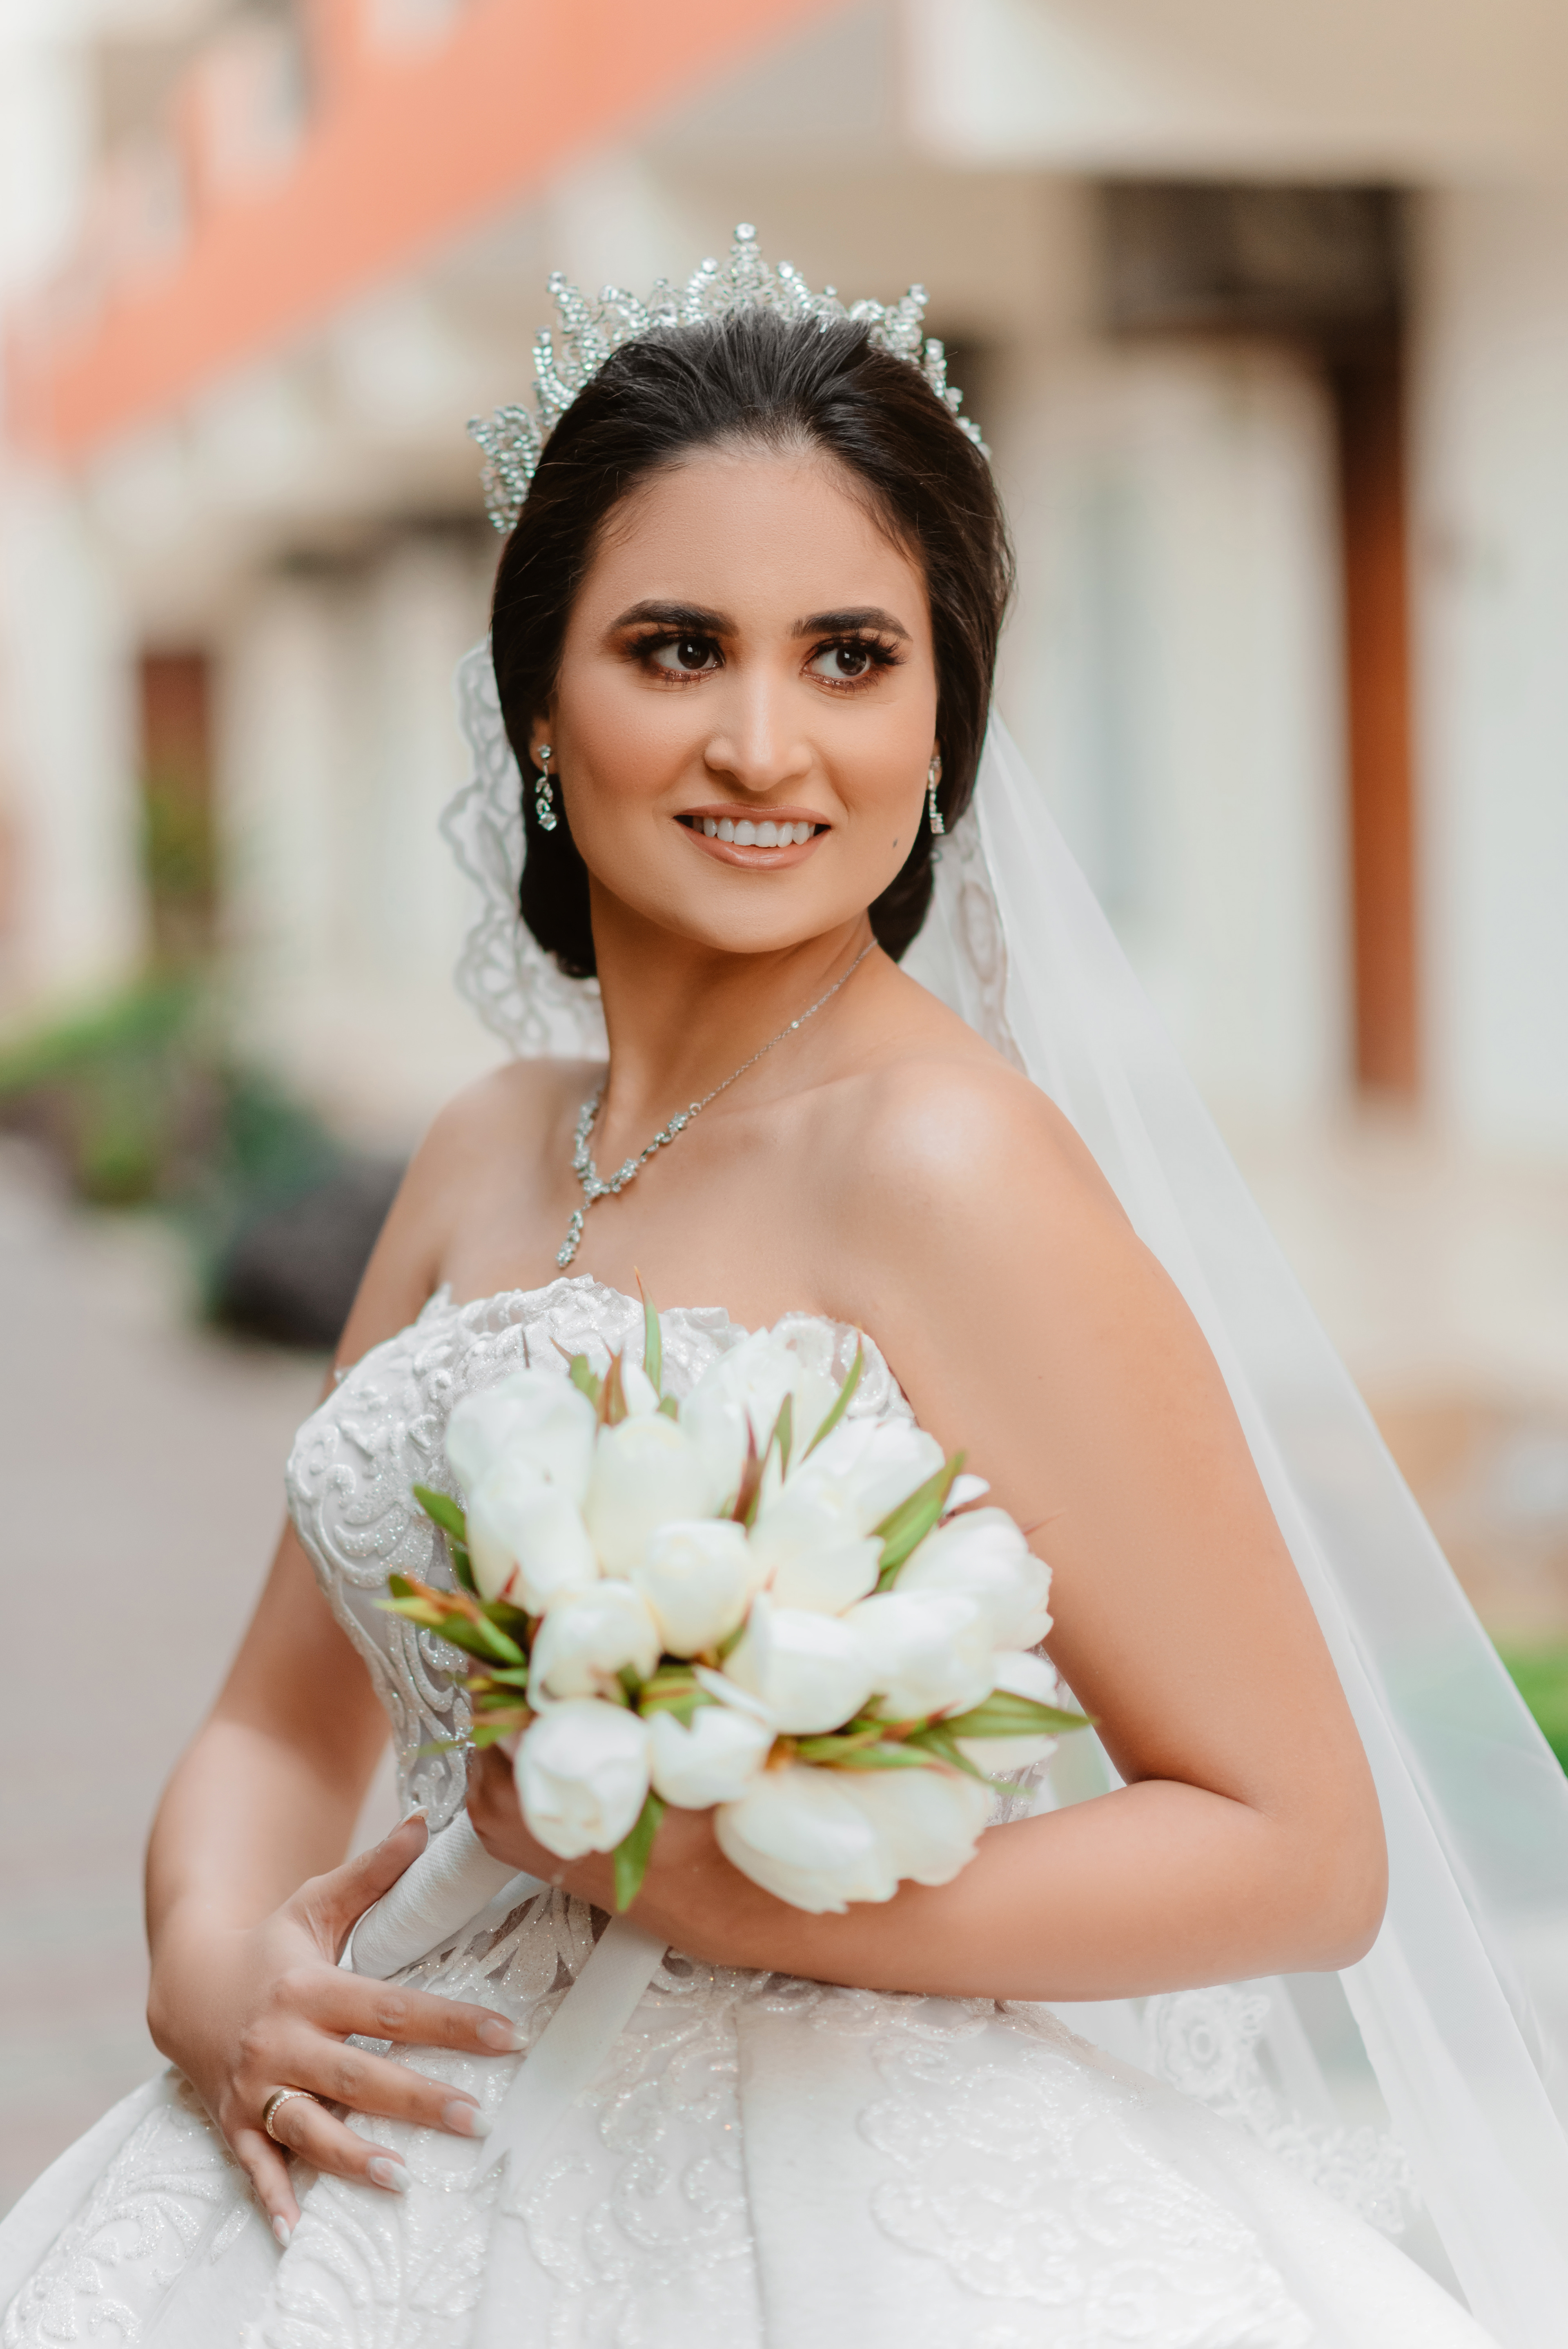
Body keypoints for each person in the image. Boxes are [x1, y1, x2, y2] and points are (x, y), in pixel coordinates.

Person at [1, 227, 1559, 2349]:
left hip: (825, 2196)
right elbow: (285, 1721)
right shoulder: (483, 1146)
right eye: (675, 647)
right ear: (543, 699)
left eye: (849, 655)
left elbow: (1299, 1843)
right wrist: (206, 1958)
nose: (765, 740)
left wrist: (767, 1895)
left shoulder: (948, 1163)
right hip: (389, 2142)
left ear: (941, 716)